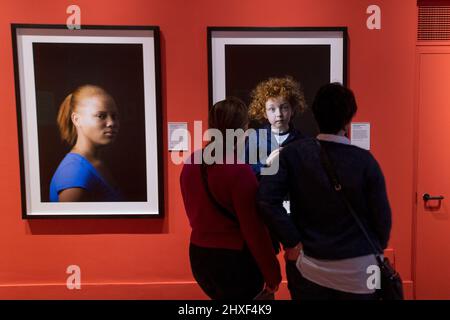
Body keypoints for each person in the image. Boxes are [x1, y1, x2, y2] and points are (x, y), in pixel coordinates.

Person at [257, 83, 392, 300]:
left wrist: (292, 241)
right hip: (359, 270)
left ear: (315, 114)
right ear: (349, 118)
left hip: (309, 266)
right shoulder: (365, 161)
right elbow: (382, 221)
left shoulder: (292, 155)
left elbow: (266, 199)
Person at [180, 97, 281, 300]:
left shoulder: (191, 162)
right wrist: (273, 274)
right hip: (234, 259)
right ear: (242, 130)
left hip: (199, 256)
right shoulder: (239, 171)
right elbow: (254, 230)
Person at [50, 84, 122, 202]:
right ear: (77, 120)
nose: (111, 123)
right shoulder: (73, 173)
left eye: (114, 116)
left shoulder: (95, 162)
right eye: (101, 116)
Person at [245, 76, 306, 179]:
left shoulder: (302, 141)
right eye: (272, 109)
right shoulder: (255, 138)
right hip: (264, 194)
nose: (279, 114)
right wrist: (266, 163)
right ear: (264, 113)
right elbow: (245, 172)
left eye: (284, 107)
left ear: (293, 109)